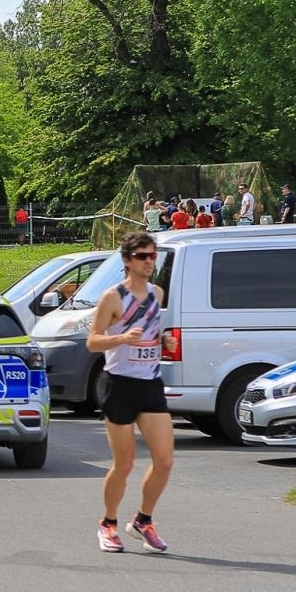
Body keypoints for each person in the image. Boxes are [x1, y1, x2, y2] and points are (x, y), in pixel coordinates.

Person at [87, 232, 173, 554]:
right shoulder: (113, 297)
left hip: (149, 383)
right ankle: (107, 524)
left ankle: (143, 520)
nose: (150, 261)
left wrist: (164, 342)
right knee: (123, 464)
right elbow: (92, 341)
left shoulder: (157, 293)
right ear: (127, 260)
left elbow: (152, 331)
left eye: (153, 256)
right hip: (119, 383)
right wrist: (121, 339)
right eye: (143, 256)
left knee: (164, 461)